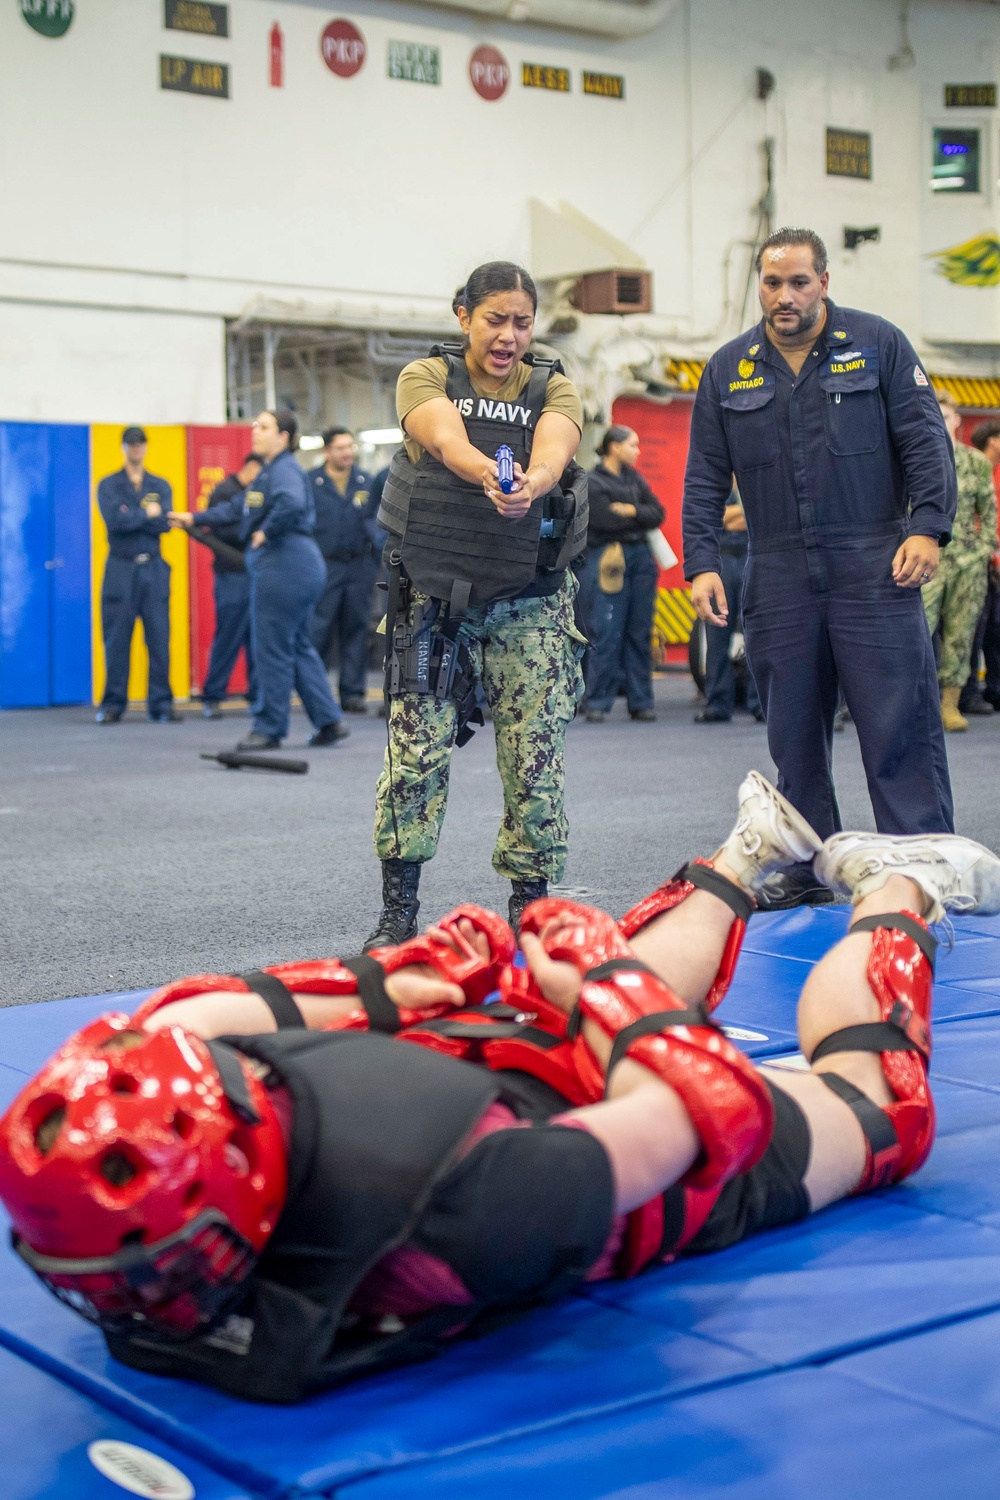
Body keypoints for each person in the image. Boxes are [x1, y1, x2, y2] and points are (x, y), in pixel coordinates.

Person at [3, 771, 998, 1404]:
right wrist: (601, 981)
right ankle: (894, 885)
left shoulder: (137, 1145)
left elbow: (213, 1010)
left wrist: (413, 978)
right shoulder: (471, 1218)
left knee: (537, 1005)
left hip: (459, 1080)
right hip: (608, 1149)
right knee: (880, 1109)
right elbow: (706, 1111)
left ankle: (742, 860)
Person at [683, 226, 957, 909]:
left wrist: (928, 526)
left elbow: (926, 441)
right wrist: (702, 561)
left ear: (824, 283)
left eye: (799, 281)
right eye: (772, 283)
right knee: (794, 732)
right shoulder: (728, 368)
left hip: (874, 562)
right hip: (775, 569)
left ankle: (919, 867)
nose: (785, 296)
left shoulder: (879, 344)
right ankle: (806, 867)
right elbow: (705, 475)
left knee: (899, 721)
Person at [369, 261, 589, 943]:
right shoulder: (426, 376)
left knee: (534, 757)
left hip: (531, 601)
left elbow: (555, 447)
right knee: (415, 755)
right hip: (434, 596)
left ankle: (532, 910)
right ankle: (398, 915)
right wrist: (489, 477)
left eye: (522, 322)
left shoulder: (555, 386)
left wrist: (534, 481)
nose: (509, 335)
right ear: (463, 314)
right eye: (496, 319)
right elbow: (443, 438)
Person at [181, 410, 347, 753]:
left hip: (285, 565)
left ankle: (269, 727)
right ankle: (329, 720)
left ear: (284, 437)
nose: (256, 430)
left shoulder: (284, 469)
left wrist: (263, 532)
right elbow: (235, 508)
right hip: (295, 566)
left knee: (270, 648)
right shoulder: (267, 473)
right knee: (297, 644)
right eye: (256, 425)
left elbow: (291, 503)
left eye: (265, 426)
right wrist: (193, 517)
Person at [922, 393, 998, 732]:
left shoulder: (975, 462)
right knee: (917, 631)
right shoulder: (915, 458)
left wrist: (984, 550)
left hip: (967, 559)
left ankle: (949, 704)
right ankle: (916, 704)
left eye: (948, 414)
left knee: (960, 634)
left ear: (957, 421)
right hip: (926, 559)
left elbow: (989, 510)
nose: (942, 419)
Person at [579, 425, 664, 724]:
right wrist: (637, 514)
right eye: (633, 445)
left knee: (640, 633)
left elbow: (658, 513)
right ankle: (598, 701)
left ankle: (641, 702)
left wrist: (628, 511)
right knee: (607, 631)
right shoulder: (592, 480)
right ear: (614, 447)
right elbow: (603, 519)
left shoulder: (634, 478)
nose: (638, 451)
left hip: (641, 559)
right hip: (609, 558)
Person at [95, 426, 180, 725]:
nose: (135, 448)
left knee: (159, 637)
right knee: (117, 638)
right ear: (123, 447)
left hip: (153, 568)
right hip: (121, 567)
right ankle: (113, 704)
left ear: (145, 447)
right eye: (130, 444)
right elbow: (115, 522)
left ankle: (161, 703)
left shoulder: (160, 485)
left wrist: (140, 517)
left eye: (140, 443)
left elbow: (165, 525)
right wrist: (146, 514)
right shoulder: (108, 485)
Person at [172, 454, 261, 719]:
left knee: (257, 637)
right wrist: (249, 532)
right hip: (230, 574)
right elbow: (218, 528)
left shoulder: (258, 492)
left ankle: (257, 695)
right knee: (228, 635)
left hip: (256, 572)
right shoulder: (224, 492)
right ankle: (213, 694)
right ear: (251, 468)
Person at [309, 428, 379, 714]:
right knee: (319, 630)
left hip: (359, 565)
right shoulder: (310, 482)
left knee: (356, 628)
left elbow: (377, 520)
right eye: (340, 448)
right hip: (325, 565)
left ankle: (352, 693)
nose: (347, 453)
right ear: (326, 451)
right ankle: (317, 693)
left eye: (350, 447)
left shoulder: (367, 482)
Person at [694, 488, 764, 724]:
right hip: (721, 559)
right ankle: (717, 703)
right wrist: (740, 514)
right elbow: (713, 517)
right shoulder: (718, 481)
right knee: (717, 635)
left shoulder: (752, 477)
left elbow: (758, 517)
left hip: (751, 555)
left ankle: (761, 703)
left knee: (756, 634)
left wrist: (730, 516)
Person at [962, 419, 1000, 716]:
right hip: (974, 563)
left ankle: (989, 688)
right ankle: (968, 690)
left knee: (990, 630)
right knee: (973, 630)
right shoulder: (975, 469)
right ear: (993, 440)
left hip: (988, 561)